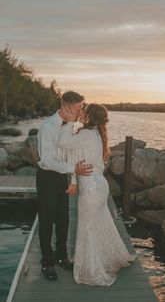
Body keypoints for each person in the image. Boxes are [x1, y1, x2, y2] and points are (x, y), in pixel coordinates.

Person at [58, 103, 136, 286]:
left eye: (84, 112)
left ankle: (93, 270)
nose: (82, 113)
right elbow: (79, 158)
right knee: (99, 224)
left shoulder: (86, 134)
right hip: (98, 186)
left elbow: (63, 143)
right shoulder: (95, 134)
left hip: (92, 189)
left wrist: (70, 122)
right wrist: (75, 182)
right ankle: (107, 259)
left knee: (89, 228)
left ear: (90, 116)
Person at [36, 91, 93, 281]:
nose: (81, 111)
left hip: (62, 178)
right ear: (67, 107)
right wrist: (73, 169)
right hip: (47, 178)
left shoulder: (71, 126)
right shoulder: (47, 127)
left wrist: (73, 179)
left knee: (63, 220)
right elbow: (46, 161)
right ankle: (48, 263)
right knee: (46, 221)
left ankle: (61, 257)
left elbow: (70, 153)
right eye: (79, 108)